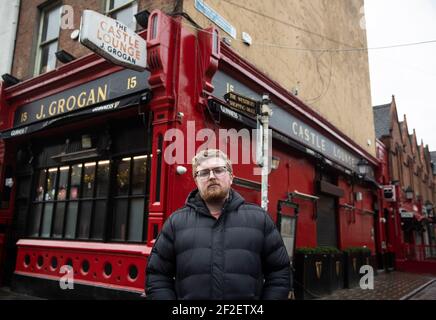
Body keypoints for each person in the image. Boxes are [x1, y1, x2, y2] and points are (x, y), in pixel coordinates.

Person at [145, 149, 291, 300]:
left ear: (231, 177)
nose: (212, 176)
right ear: (196, 181)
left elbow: (279, 273)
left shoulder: (259, 219)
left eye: (218, 170)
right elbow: (157, 276)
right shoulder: (175, 223)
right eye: (203, 173)